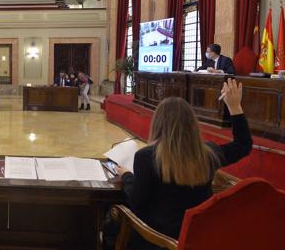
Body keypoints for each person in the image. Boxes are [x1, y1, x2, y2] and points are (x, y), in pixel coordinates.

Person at [107, 78, 252, 250]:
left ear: (158, 123)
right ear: (192, 124)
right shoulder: (208, 153)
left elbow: (136, 202)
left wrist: (127, 176)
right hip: (193, 239)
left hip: (154, 240)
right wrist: (235, 107)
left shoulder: (145, 157)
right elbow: (243, 145)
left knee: (111, 220)